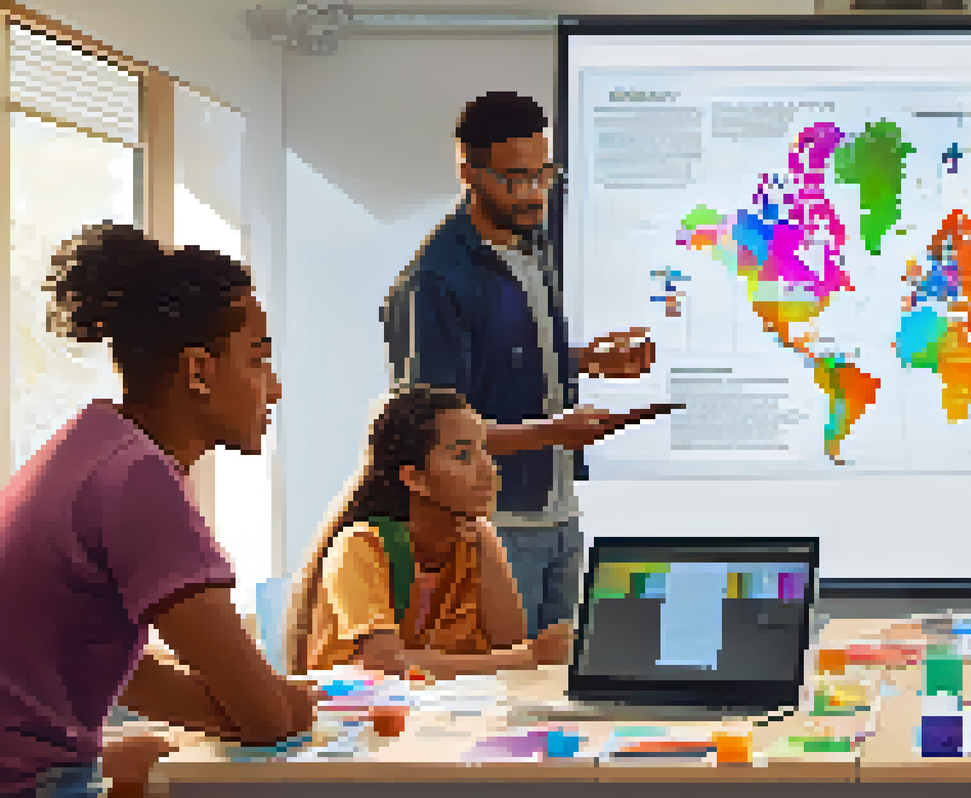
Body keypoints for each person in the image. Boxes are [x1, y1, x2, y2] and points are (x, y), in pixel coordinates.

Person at [0, 223, 318, 796]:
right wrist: (277, 705)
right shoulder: (138, 479)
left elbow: (124, 673)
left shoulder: (88, 446)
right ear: (198, 371)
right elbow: (267, 719)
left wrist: (255, 708)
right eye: (257, 360)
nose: (272, 389)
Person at [382, 91, 656, 637]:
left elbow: (500, 361)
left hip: (558, 514)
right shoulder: (435, 281)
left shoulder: (533, 248)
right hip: (492, 528)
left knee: (560, 688)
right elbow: (432, 435)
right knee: (499, 695)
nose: (533, 193)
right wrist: (552, 432)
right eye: (514, 178)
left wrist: (583, 362)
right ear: (469, 171)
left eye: (543, 174)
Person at [287, 384, 573, 679]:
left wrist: (483, 538)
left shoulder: (473, 543)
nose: (489, 470)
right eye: (464, 456)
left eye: (484, 451)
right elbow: (385, 665)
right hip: (358, 722)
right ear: (415, 479)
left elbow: (508, 646)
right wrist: (530, 658)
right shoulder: (359, 546)